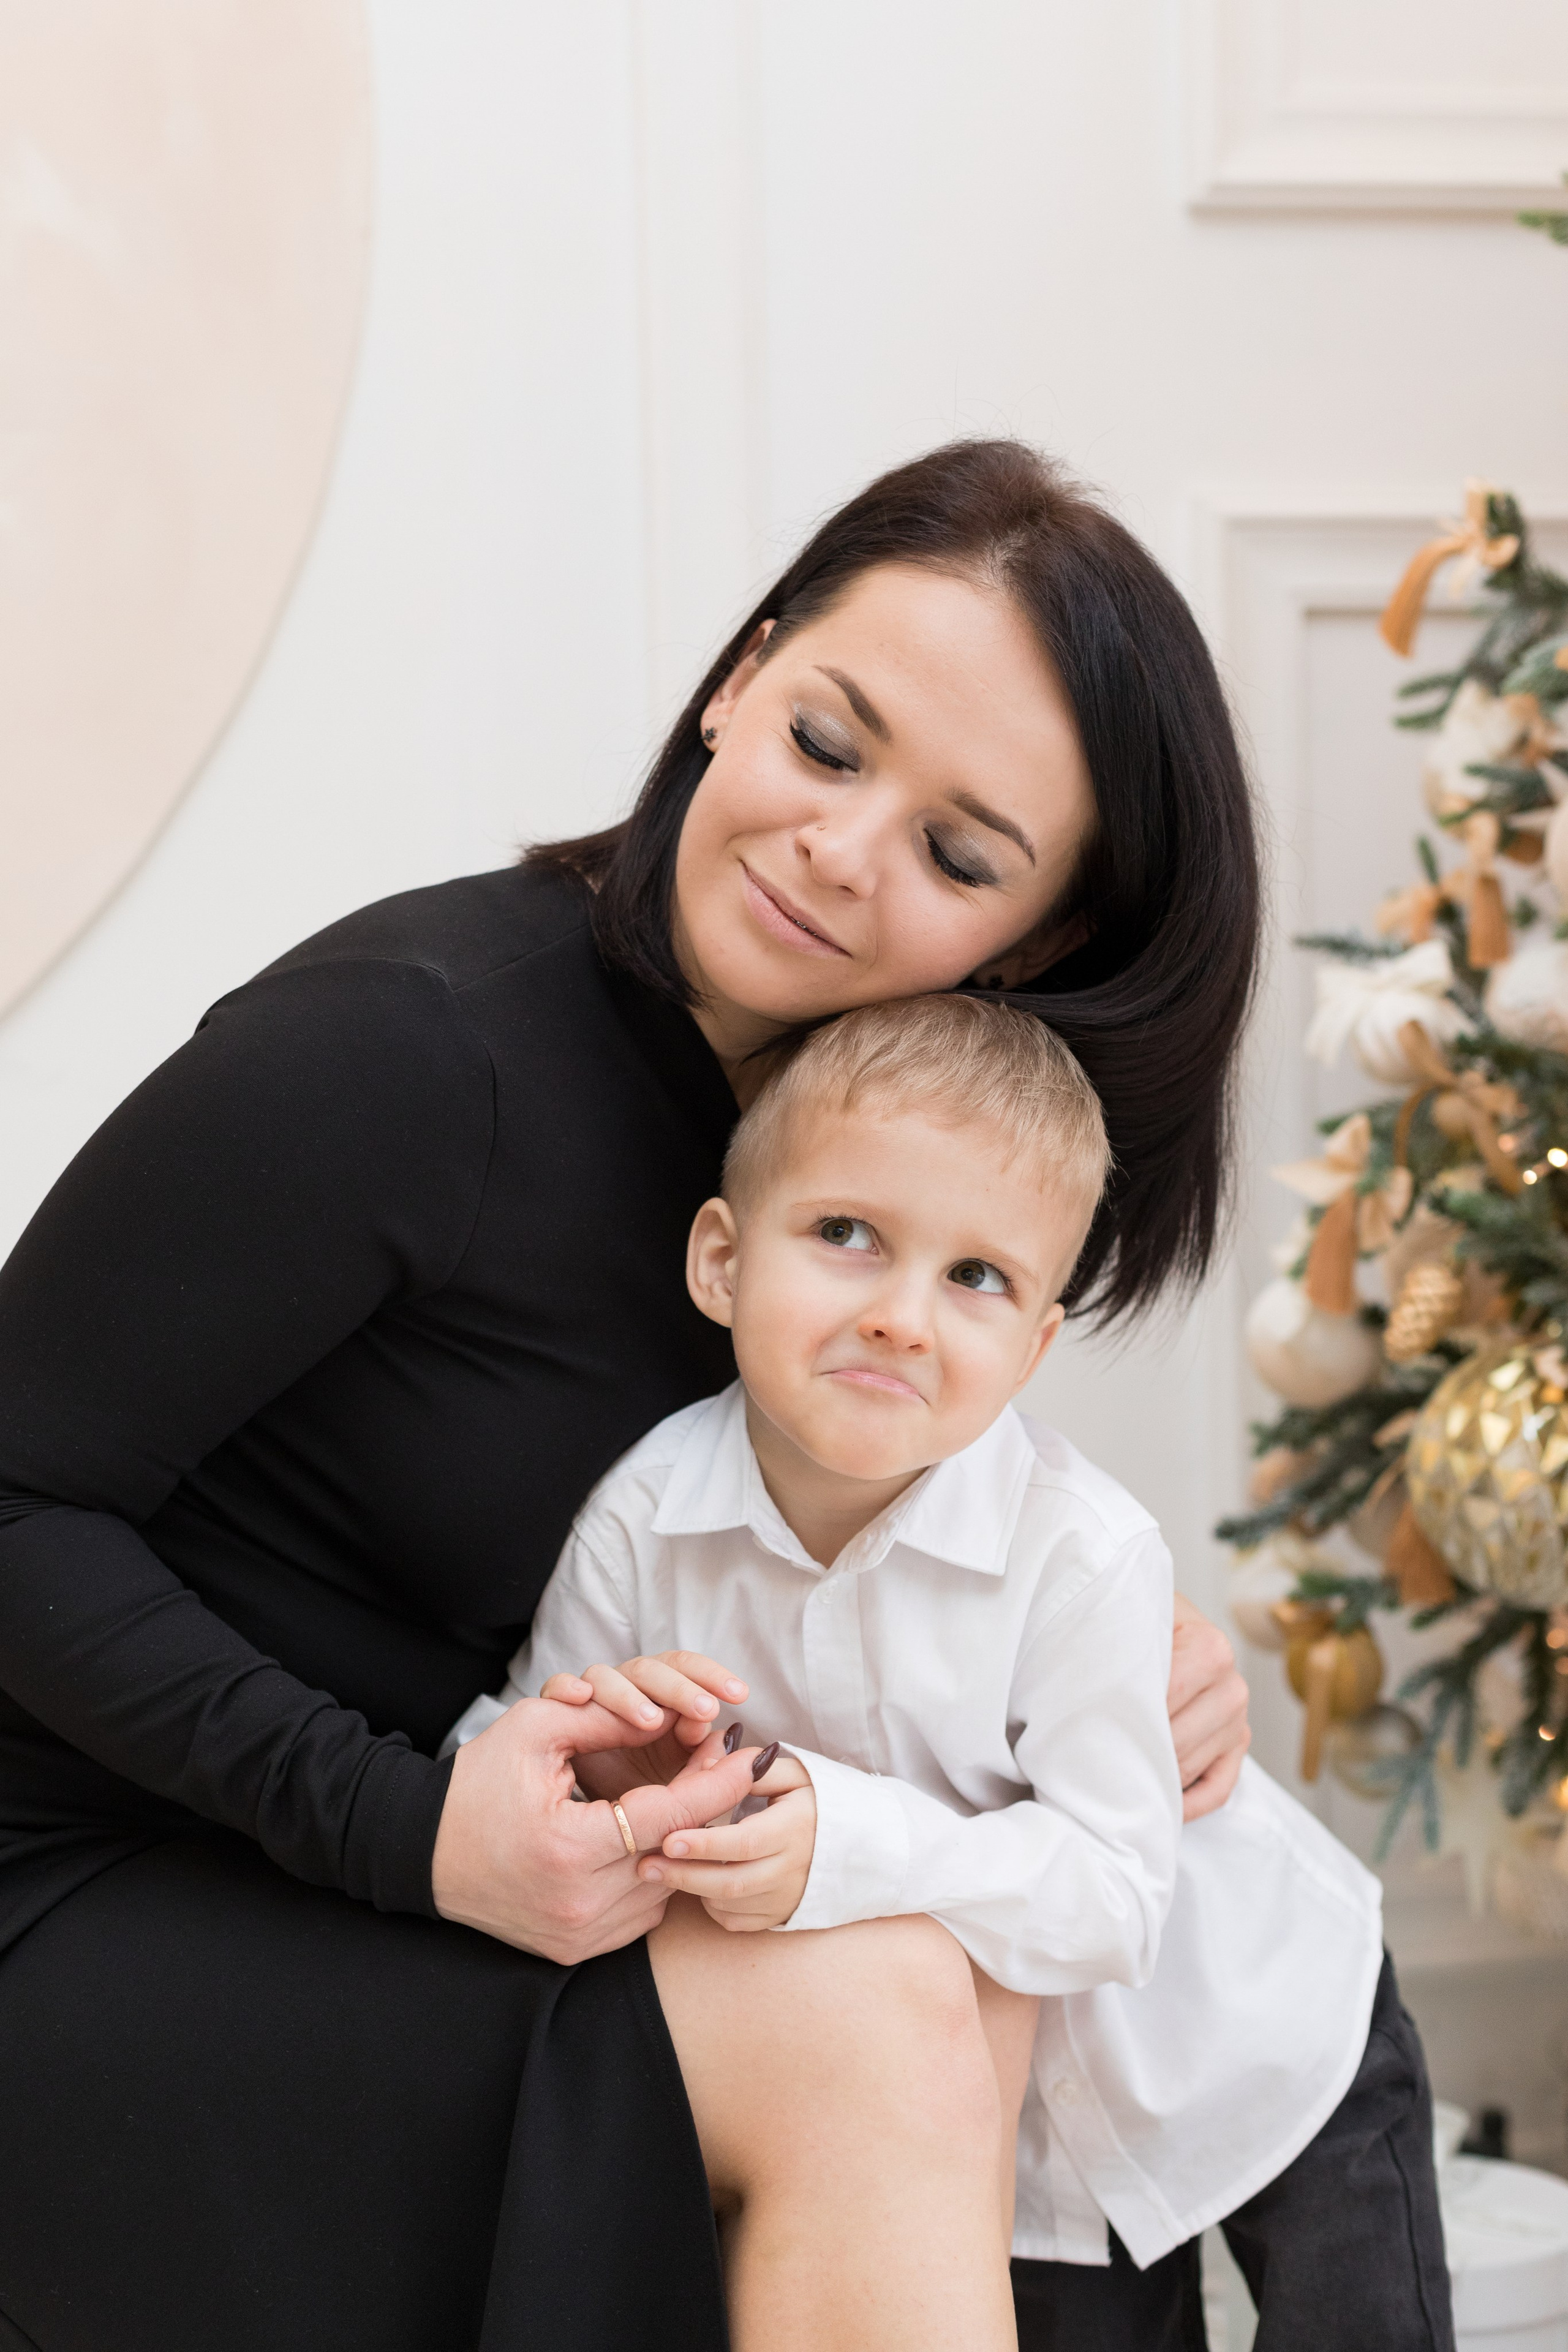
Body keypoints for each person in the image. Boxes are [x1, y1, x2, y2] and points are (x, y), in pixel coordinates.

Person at [0, 439, 1259, 2352]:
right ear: (740, 679)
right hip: (96, 1879)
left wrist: (1102, 1648)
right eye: (832, 744)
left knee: (999, 1966)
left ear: (1047, 939)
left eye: (956, 850)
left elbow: (814, 1527)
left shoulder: (853, 1178)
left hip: (409, 1859)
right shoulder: (406, 1052)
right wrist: (403, 1827)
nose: (844, 847)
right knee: (876, 2014)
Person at [457, 995, 1453, 2352]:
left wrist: (848, 1841)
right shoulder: (645, 1509)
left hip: (1237, 2040)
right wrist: (577, 1765)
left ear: (1034, 1346)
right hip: (987, 2103)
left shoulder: (1080, 1552)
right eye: (845, 1235)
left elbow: (1113, 1899)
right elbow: (533, 1741)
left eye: (976, 1277)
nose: (901, 1318)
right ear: (721, 1261)